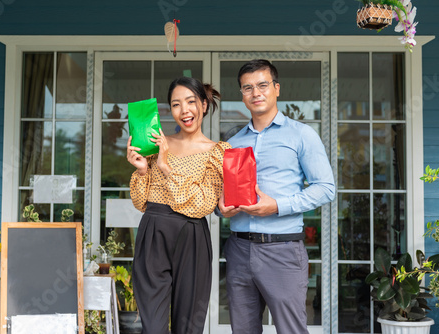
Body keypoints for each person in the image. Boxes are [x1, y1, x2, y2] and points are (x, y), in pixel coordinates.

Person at [218, 59, 335, 334]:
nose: (255, 93)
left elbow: (326, 187)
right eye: (247, 88)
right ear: (242, 95)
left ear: (277, 89)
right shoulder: (232, 143)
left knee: (291, 330)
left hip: (282, 251)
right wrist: (220, 208)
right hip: (238, 250)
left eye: (262, 85)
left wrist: (278, 206)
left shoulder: (302, 135)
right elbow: (220, 195)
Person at [127, 77, 231, 334]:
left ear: (204, 105)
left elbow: (203, 204)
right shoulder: (155, 145)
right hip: (153, 231)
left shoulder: (218, 151)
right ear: (170, 110)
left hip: (192, 236)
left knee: (188, 325)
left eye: (191, 102)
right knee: (153, 325)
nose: (184, 110)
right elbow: (141, 202)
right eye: (176, 104)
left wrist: (166, 167)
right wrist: (142, 171)